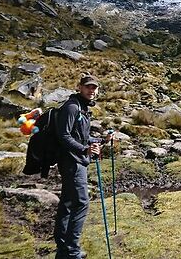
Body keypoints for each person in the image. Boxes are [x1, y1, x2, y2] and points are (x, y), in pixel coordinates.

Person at [54, 74, 108, 259]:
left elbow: (81, 137)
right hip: (72, 162)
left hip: (76, 160)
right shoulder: (72, 107)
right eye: (88, 87)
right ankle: (72, 251)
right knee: (81, 203)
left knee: (68, 203)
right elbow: (64, 136)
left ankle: (63, 249)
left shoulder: (82, 107)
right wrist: (85, 149)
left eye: (94, 88)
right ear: (79, 87)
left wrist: (101, 140)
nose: (91, 91)